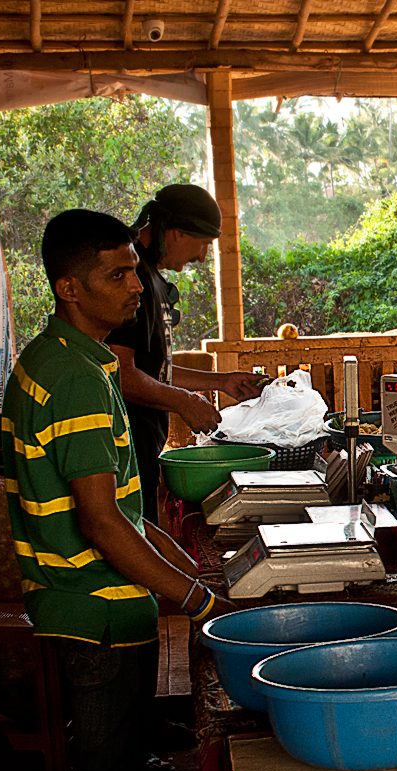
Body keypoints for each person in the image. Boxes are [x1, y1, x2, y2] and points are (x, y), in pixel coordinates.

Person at [2, 209, 236, 771]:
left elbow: (127, 516)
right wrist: (198, 600)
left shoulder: (63, 358)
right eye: (117, 274)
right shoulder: (75, 379)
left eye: (135, 270)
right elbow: (103, 527)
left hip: (83, 600)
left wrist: (193, 576)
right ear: (68, 289)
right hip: (94, 609)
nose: (137, 286)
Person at [105, 184, 263, 521]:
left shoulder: (151, 277)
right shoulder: (133, 280)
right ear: (176, 233)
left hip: (145, 445)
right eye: (203, 244)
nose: (203, 257)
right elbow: (119, 373)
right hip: (121, 447)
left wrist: (221, 381)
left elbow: (153, 369)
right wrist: (184, 402)